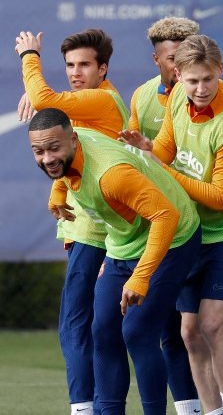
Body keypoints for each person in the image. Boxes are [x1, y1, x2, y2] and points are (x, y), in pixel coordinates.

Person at [120, 34, 223, 415]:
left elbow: (221, 197)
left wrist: (161, 166)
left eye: (208, 79)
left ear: (220, 70)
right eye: (192, 80)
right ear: (177, 74)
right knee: (188, 331)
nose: (201, 88)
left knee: (213, 326)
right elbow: (167, 150)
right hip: (194, 227)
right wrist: (147, 150)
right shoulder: (177, 97)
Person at [28, 108, 202, 415]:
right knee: (103, 330)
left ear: (73, 139)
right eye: (38, 152)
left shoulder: (112, 175)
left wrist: (140, 277)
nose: (46, 158)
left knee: (137, 331)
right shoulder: (70, 151)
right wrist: (58, 192)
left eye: (54, 148)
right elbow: (61, 168)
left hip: (174, 238)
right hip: (123, 245)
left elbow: (166, 216)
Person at [14, 28, 128, 415]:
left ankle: (84, 408)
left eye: (84, 65)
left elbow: (46, 99)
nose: (75, 72)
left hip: (96, 229)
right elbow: (66, 143)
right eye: (69, 65)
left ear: (103, 68)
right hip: (93, 225)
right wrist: (58, 193)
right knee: (99, 328)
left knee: (76, 325)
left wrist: (30, 55)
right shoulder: (86, 104)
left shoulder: (102, 100)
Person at [129, 16, 203, 415]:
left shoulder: (210, 97)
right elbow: (134, 160)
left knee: (196, 330)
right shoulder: (141, 98)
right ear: (156, 58)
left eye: (185, 58)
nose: (178, 67)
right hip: (162, 228)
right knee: (167, 329)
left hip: (204, 226)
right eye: (171, 58)